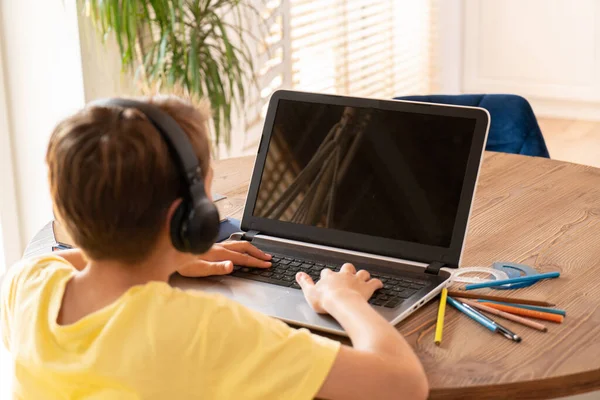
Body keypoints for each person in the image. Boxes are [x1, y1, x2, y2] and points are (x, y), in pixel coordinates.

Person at [0, 96, 429, 399]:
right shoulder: (206, 330)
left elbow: (80, 263)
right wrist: (343, 299)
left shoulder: (27, 283)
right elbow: (403, 385)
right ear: (192, 218)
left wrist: (172, 256)